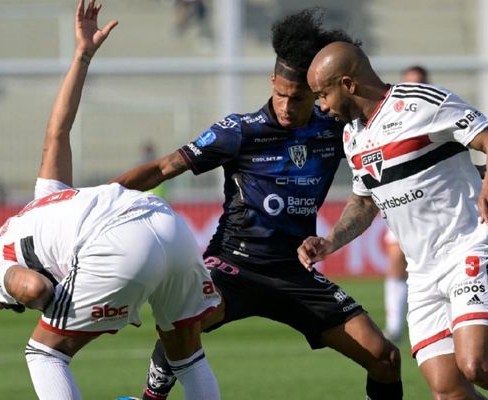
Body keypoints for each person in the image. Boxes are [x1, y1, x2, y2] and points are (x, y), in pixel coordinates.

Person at [113, 8, 403, 400]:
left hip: (296, 270)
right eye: (280, 94)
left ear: (317, 93)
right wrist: (95, 200)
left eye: (297, 98)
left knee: (385, 358)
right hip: (235, 265)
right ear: (272, 82)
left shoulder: (335, 127)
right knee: (187, 313)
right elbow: (164, 167)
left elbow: (396, 151)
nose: (286, 106)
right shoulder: (239, 131)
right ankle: (152, 395)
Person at [0, 1, 221, 399]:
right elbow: (58, 133)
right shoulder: (42, 206)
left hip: (117, 243)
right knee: (187, 358)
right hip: (168, 225)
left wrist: (50, 298)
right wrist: (82, 56)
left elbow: (33, 288)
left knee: (43, 354)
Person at [300, 41, 488, 399]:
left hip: (469, 247)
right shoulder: (351, 135)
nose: (322, 106)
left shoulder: (421, 103)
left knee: (477, 363)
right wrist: (330, 242)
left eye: (323, 94)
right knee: (447, 390)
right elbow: (364, 201)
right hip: (421, 273)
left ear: (348, 84)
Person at [382, 64, 431, 343]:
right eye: (411, 83)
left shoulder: (436, 113)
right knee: (396, 257)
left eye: (421, 83)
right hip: (401, 200)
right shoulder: (392, 116)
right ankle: (394, 326)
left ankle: (433, 325)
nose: (417, 89)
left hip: (435, 203)